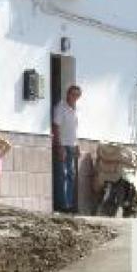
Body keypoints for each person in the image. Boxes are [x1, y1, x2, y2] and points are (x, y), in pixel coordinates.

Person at [53, 84, 81, 213]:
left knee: (71, 175)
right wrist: (59, 146)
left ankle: (68, 205)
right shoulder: (61, 107)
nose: (75, 97)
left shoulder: (75, 110)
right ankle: (61, 205)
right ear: (68, 94)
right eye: (73, 94)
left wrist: (77, 145)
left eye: (77, 95)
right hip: (63, 145)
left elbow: (75, 130)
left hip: (72, 146)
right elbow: (56, 126)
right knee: (62, 175)